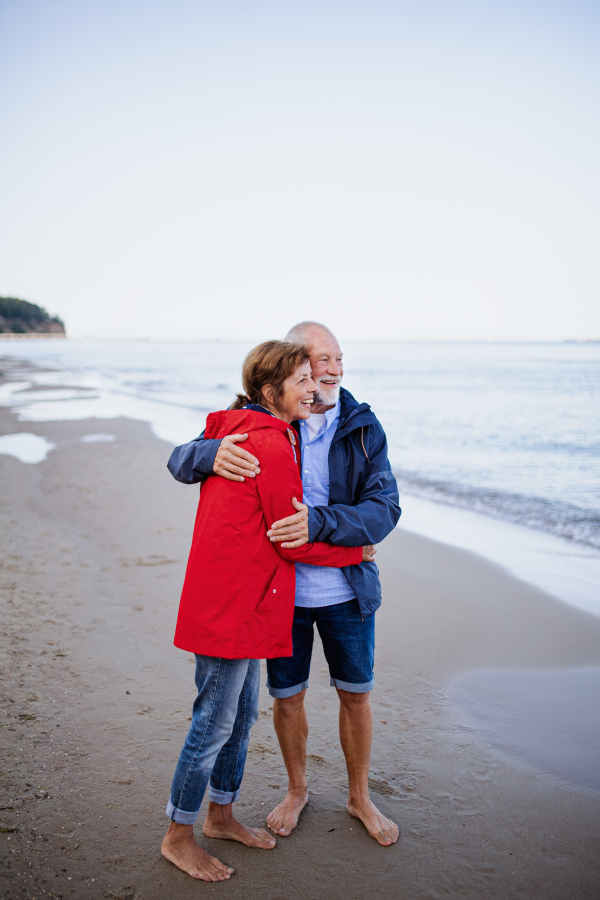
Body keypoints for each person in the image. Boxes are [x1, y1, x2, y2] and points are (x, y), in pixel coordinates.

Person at [168, 322, 402, 847]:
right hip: (279, 595)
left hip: (346, 588)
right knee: (285, 698)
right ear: (294, 369)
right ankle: (296, 791)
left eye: (341, 358)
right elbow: (179, 457)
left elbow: (385, 508)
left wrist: (324, 525)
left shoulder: (363, 427)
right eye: (322, 360)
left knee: (355, 694)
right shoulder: (271, 422)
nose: (336, 369)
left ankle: (359, 796)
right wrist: (207, 455)